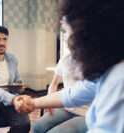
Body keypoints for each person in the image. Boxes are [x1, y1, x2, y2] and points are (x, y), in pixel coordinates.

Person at [17, 0, 124, 132]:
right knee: (39, 125)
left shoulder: (118, 79)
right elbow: (72, 94)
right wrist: (33, 103)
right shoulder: (105, 72)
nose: (65, 39)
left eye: (66, 31)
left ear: (85, 34)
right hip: (69, 108)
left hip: (82, 114)